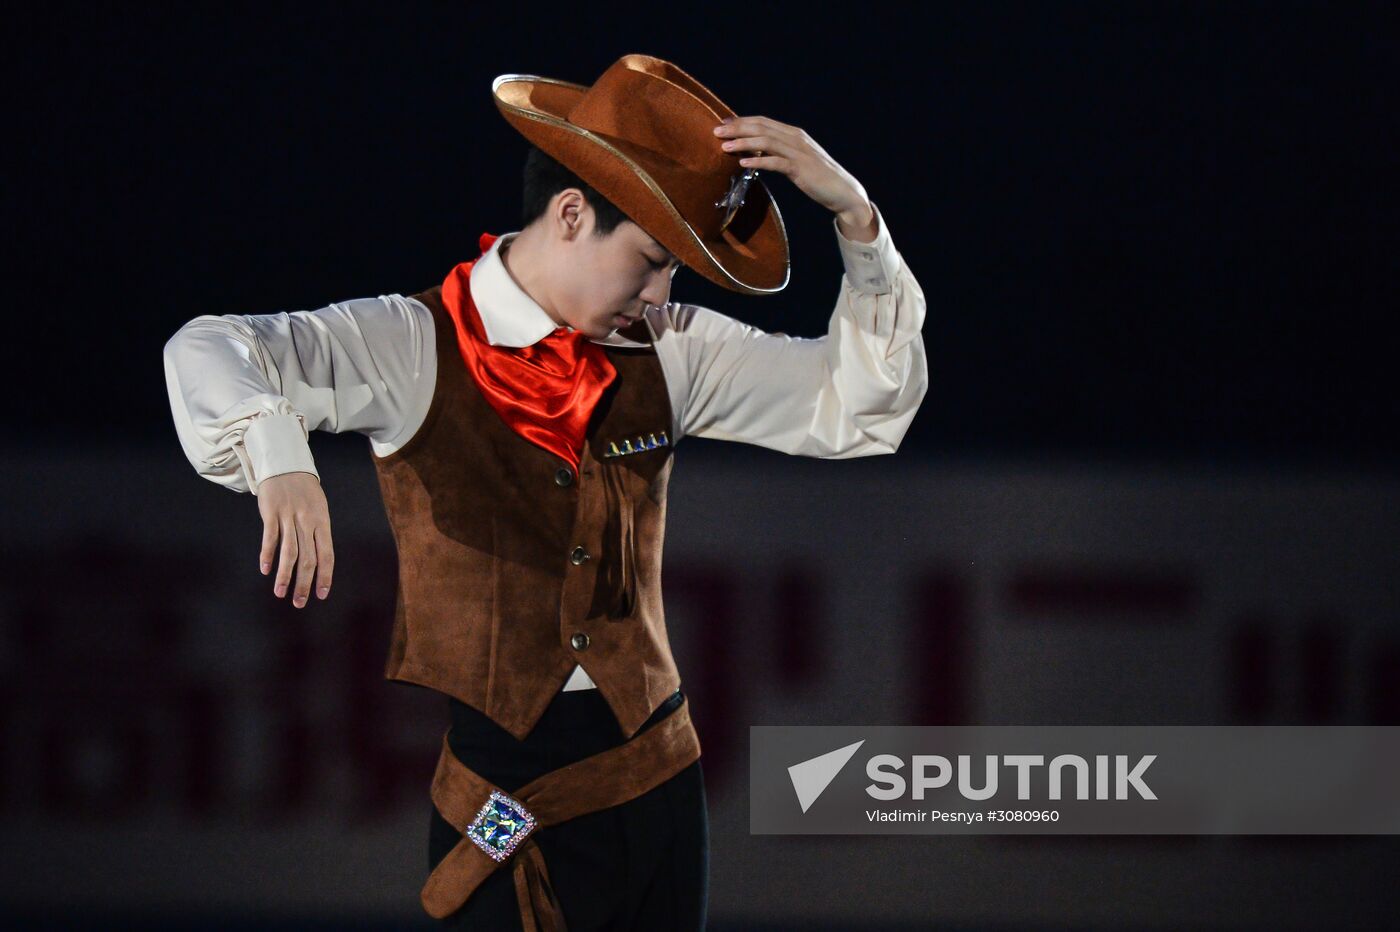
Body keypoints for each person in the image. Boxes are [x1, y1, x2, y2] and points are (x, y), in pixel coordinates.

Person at [163, 54, 928, 930]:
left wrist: (858, 220)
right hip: (501, 806)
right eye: (648, 260)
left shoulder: (672, 349)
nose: (657, 294)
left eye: (675, 270)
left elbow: (863, 404)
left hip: (658, 791)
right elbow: (211, 345)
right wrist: (277, 452)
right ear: (571, 214)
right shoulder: (412, 344)